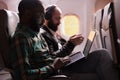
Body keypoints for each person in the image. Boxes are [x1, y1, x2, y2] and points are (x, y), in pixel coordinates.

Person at [40, 5, 119, 80]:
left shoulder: (53, 33)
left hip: (68, 63)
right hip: (63, 68)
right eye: (57, 19)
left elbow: (61, 47)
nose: (60, 22)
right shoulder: (44, 35)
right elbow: (51, 59)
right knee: (102, 54)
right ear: (47, 18)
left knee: (99, 68)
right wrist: (70, 44)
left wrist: (71, 43)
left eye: (60, 18)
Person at [10, 0, 84, 80]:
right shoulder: (21, 38)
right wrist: (53, 67)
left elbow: (48, 58)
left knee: (97, 56)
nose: (44, 19)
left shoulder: (36, 33)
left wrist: (61, 61)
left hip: (58, 70)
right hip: (52, 75)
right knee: (97, 60)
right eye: (41, 14)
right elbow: (23, 76)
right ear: (28, 14)